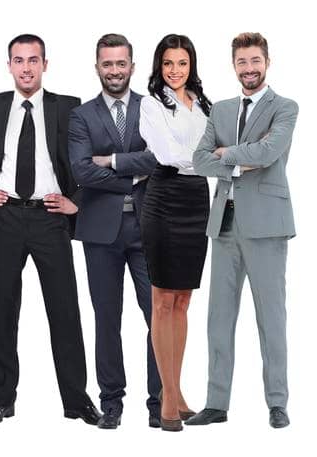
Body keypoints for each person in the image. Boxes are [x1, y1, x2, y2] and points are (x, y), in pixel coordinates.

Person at [0, 34, 100, 428]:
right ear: (9, 65)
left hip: (51, 216)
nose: (27, 67)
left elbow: (92, 159)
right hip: (5, 217)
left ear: (45, 64)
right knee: (2, 310)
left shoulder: (68, 107)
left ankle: (76, 399)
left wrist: (77, 200)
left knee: (65, 310)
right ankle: (2, 400)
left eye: (34, 60)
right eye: (19, 60)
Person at [187, 32, 297, 430]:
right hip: (225, 225)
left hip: (267, 227)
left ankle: (277, 402)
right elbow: (199, 160)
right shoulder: (220, 110)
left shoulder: (285, 107)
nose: (248, 69)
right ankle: (216, 403)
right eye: (242, 63)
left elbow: (270, 153)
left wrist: (225, 153)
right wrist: (236, 162)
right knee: (218, 318)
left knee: (271, 319)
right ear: (233, 65)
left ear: (267, 62)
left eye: (255, 61)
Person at [66, 33, 159, 430]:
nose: (115, 71)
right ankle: (112, 402)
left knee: (158, 316)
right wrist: (134, 175)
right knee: (107, 318)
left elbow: (161, 158)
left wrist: (115, 161)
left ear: (132, 67)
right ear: (98, 67)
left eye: (121, 64)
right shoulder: (81, 116)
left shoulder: (152, 108)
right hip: (100, 231)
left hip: (148, 228)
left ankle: (160, 400)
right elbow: (81, 169)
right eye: (108, 64)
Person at [135, 33, 212, 432]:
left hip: (197, 201)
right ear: (159, 66)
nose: (175, 71)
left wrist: (210, 160)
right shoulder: (151, 104)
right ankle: (167, 397)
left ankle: (177, 391)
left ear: (191, 65)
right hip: (164, 199)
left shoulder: (203, 104)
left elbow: (219, 148)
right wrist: (208, 159)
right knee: (162, 301)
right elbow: (166, 154)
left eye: (182, 63)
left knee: (183, 302)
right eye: (168, 64)